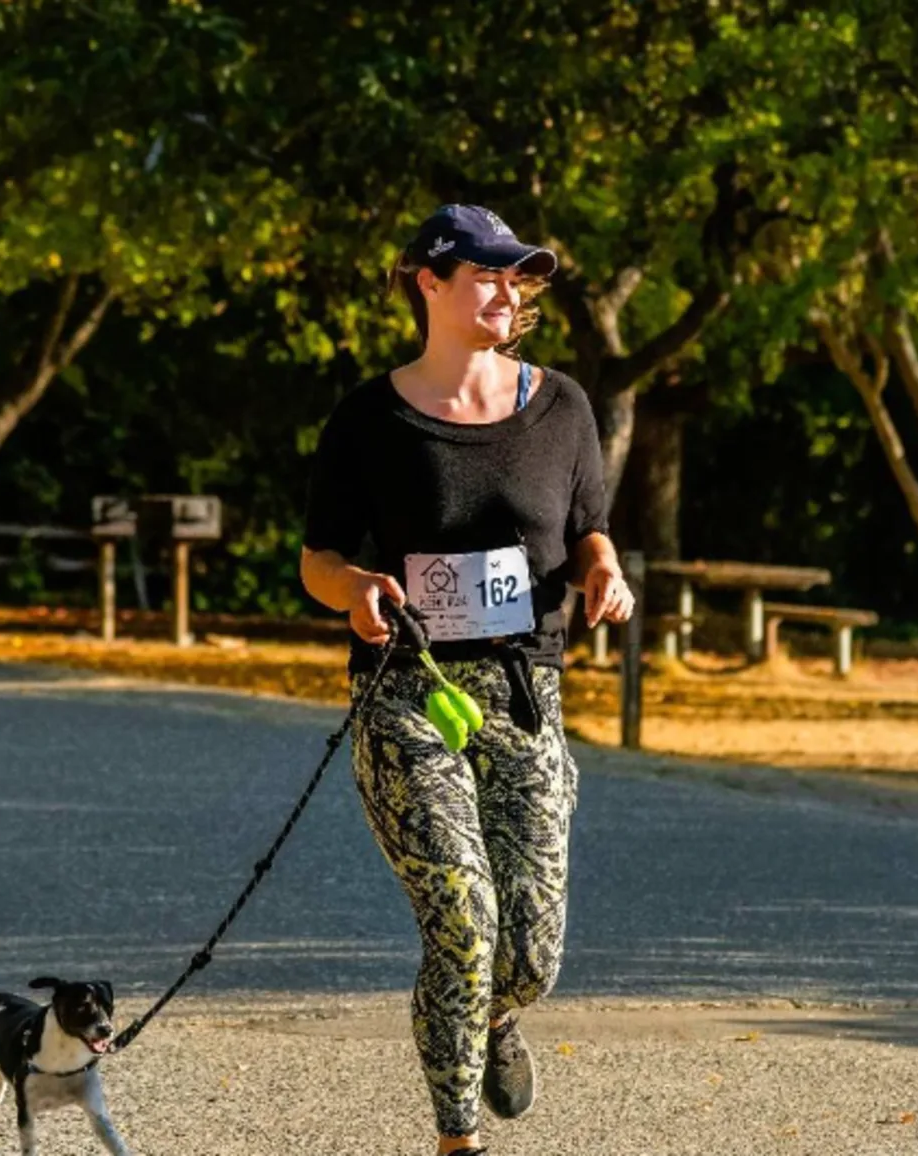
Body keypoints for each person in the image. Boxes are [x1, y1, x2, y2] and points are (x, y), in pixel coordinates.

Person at [299, 204, 636, 1156]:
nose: (506, 292)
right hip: (407, 698)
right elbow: (316, 560)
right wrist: (356, 587)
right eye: (484, 274)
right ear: (429, 284)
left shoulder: (561, 406)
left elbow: (586, 531)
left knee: (529, 955)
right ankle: (457, 1139)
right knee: (463, 914)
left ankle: (493, 1020)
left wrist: (604, 570)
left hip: (525, 699)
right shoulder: (368, 420)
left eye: (515, 277)